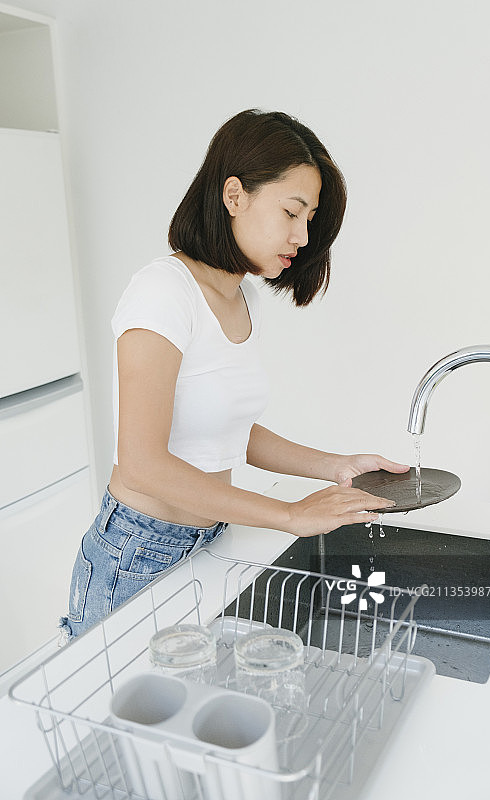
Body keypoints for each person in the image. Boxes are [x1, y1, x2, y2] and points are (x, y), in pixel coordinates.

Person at [59, 109, 407, 640]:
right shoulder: (162, 292)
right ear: (235, 196)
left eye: (310, 218)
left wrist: (338, 466)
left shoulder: (242, 298)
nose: (303, 235)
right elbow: (142, 464)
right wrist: (289, 514)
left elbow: (228, 434)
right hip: (139, 554)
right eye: (292, 212)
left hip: (210, 537)